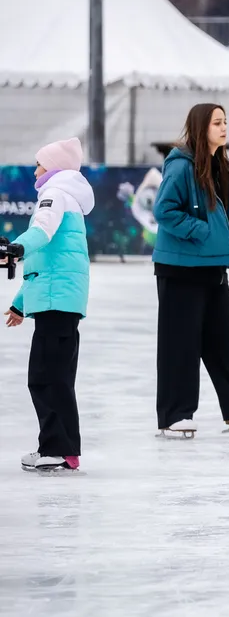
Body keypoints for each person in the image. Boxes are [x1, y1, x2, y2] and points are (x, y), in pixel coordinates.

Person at [152, 103, 229, 438]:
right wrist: (201, 232)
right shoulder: (182, 167)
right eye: (217, 123)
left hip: (212, 267)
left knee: (224, 341)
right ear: (200, 127)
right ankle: (175, 414)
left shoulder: (220, 166)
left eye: (225, 122)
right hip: (180, 268)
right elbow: (164, 210)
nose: (224, 128)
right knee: (181, 344)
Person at [2, 138, 93, 474]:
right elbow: (47, 262)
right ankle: (65, 449)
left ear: (54, 167)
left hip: (56, 300)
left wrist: (14, 248)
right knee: (56, 376)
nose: (35, 170)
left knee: (46, 377)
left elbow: (40, 231)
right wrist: (20, 304)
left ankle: (55, 448)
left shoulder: (54, 193)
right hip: (60, 298)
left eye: (40, 164)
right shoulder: (67, 195)